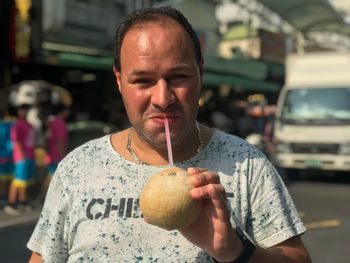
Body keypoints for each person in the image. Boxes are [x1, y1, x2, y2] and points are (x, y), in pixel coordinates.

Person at [27, 7, 311, 263]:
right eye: (143, 80)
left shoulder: (246, 165)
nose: (163, 98)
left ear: (200, 72)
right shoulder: (78, 168)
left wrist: (235, 251)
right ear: (119, 80)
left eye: (178, 77)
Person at [4, 104, 36, 215]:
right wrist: (22, 156)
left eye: (26, 110)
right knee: (18, 179)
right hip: (21, 157)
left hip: (30, 156)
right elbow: (16, 141)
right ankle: (11, 203)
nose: (25, 112)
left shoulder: (29, 125)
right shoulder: (17, 124)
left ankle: (23, 201)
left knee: (25, 181)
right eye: (22, 110)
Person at [41, 103, 69, 198]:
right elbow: (60, 141)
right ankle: (45, 197)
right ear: (63, 111)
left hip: (51, 154)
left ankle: (44, 196)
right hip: (57, 155)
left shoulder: (51, 122)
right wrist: (63, 156)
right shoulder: (60, 122)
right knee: (51, 177)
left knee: (50, 176)